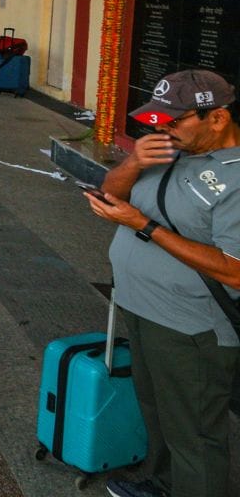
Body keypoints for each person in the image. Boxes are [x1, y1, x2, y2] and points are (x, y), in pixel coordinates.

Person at [86, 70, 240, 497]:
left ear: (218, 118)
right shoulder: (173, 149)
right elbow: (111, 192)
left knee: (195, 434)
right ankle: (164, 484)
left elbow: (234, 269)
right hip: (141, 307)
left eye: (174, 121)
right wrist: (133, 161)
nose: (163, 129)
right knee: (157, 411)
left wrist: (143, 226)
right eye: (157, 121)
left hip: (191, 326)